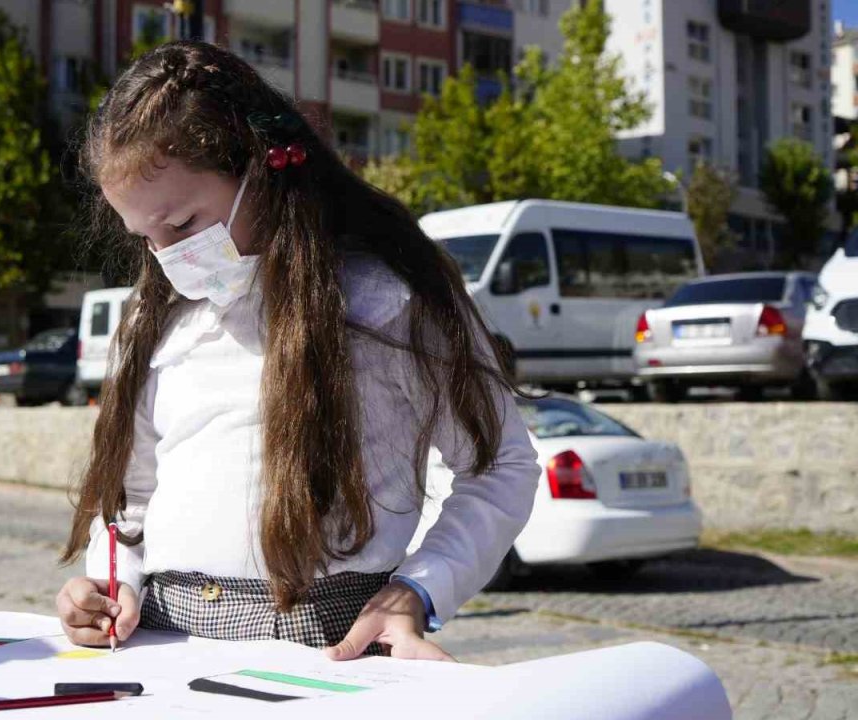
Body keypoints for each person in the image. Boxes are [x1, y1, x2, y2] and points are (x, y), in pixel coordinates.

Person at [56, 41, 539, 661]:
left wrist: (419, 590)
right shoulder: (154, 319)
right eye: (145, 238)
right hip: (159, 636)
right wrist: (109, 583)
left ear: (262, 169)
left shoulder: (388, 299)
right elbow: (130, 502)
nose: (169, 258)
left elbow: (499, 466)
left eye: (181, 225)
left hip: (325, 637)